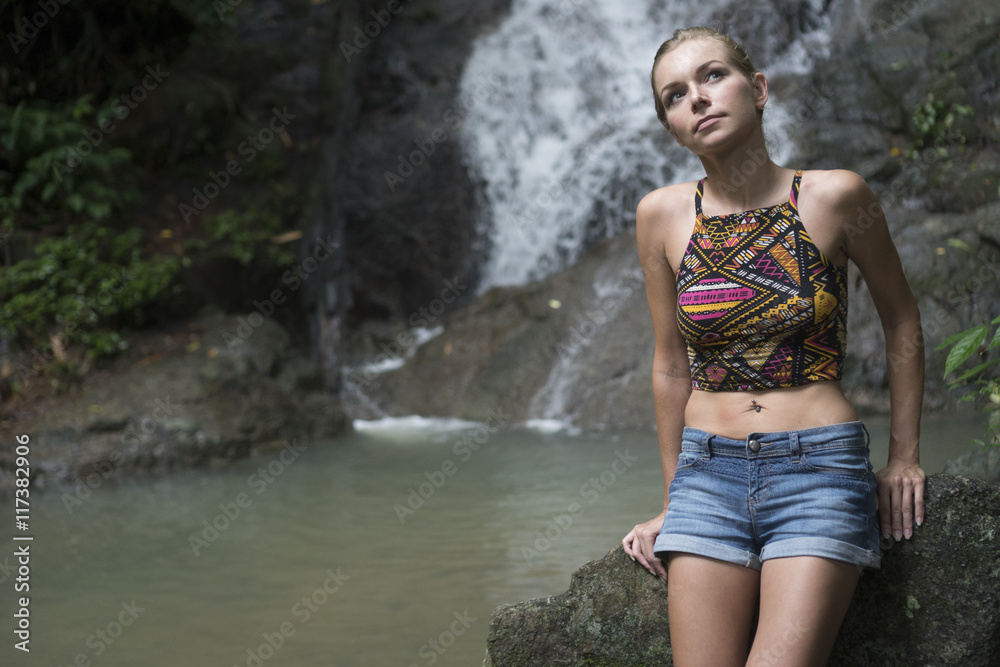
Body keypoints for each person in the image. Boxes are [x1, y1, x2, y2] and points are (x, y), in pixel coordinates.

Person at [621, 26, 926, 666]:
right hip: (706, 478)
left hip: (819, 471)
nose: (697, 100)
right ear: (671, 127)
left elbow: (901, 321)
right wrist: (675, 501)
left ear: (758, 89)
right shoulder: (661, 216)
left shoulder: (835, 195)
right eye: (674, 96)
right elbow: (671, 365)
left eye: (712, 77)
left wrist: (903, 457)